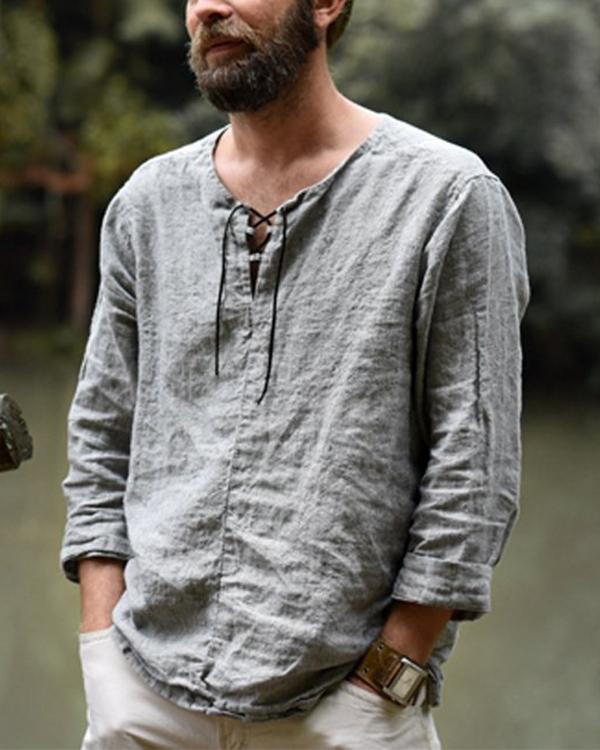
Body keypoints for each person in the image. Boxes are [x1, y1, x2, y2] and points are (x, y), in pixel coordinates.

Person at [60, 0, 530, 747]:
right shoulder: (146, 206)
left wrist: (385, 685)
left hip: (345, 711)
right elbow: (101, 434)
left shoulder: (447, 198)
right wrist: (100, 656)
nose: (207, 9)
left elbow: (475, 465)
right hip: (142, 701)